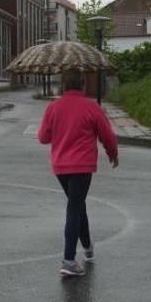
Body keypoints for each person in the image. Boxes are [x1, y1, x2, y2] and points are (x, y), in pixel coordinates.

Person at [37, 70, 119, 277]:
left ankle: (88, 247)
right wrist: (112, 153)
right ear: (82, 85)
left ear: (63, 85)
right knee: (75, 206)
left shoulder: (53, 107)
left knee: (77, 204)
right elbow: (107, 135)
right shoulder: (92, 107)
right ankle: (68, 260)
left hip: (61, 167)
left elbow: (43, 138)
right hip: (82, 166)